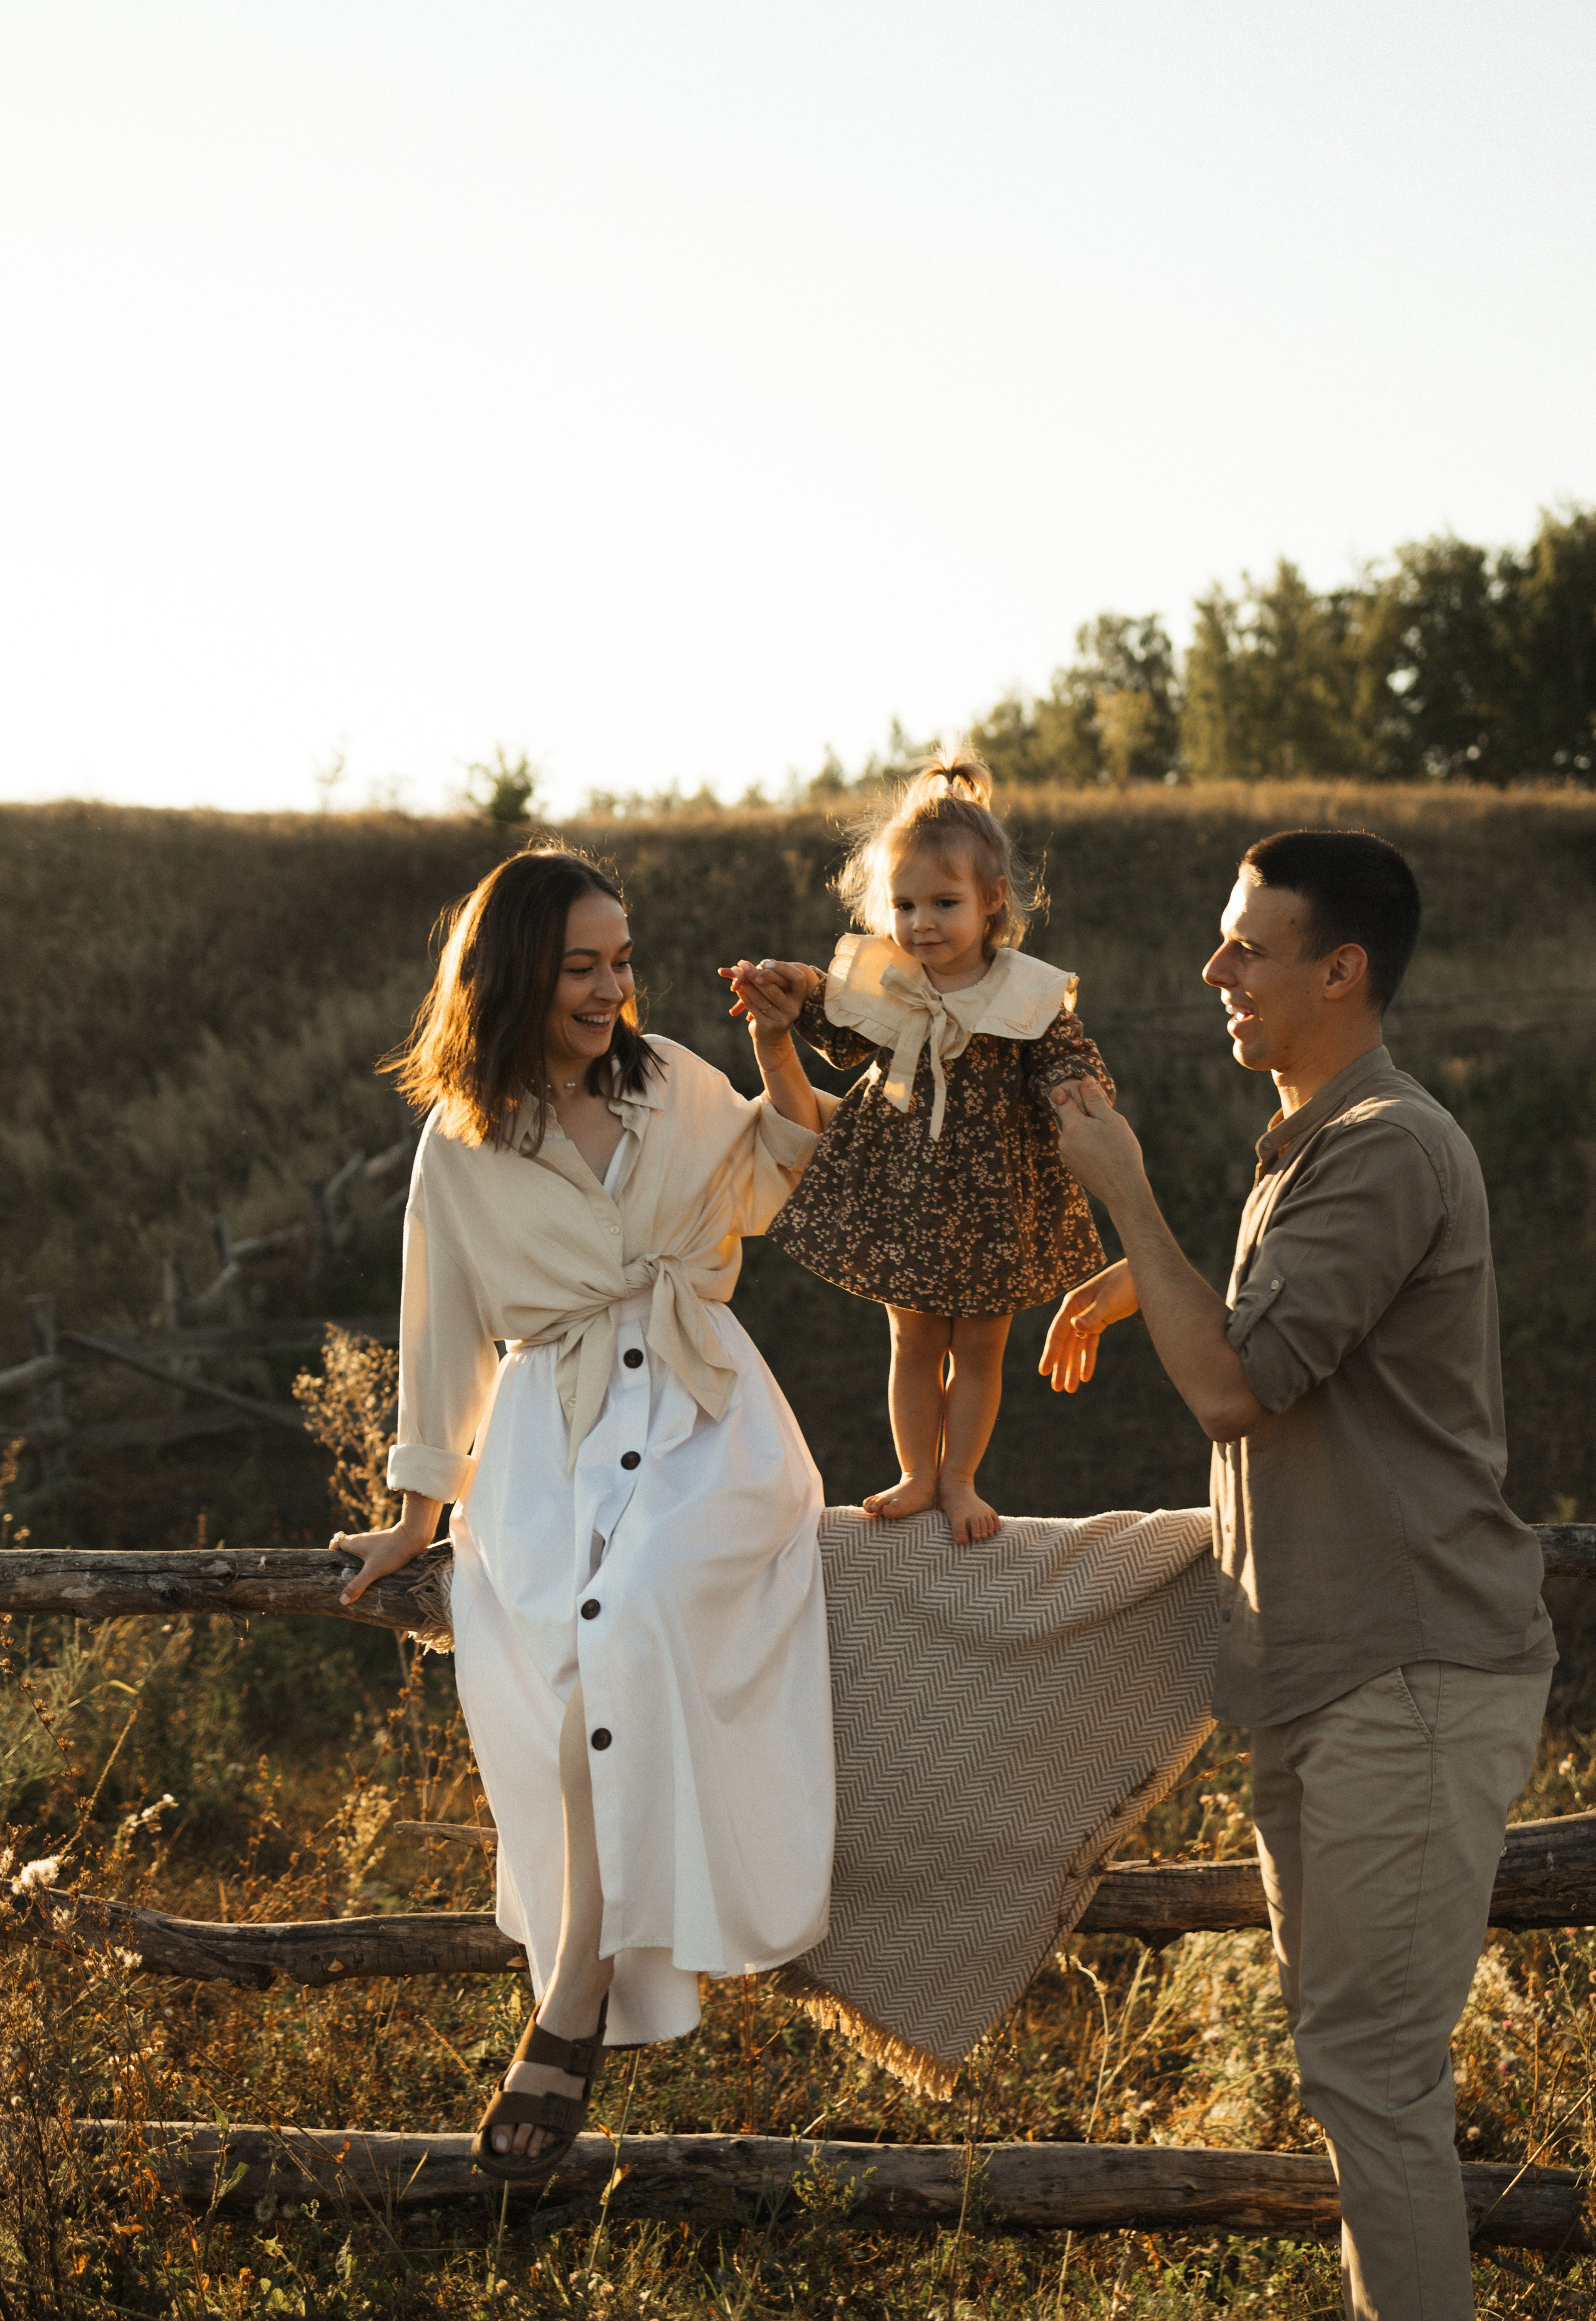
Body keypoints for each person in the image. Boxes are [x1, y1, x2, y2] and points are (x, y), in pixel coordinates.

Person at [1040, 828, 1555, 2321]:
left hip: (1405, 1679)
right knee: (1357, 2082)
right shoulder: (1311, 1152)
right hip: (1328, 1680)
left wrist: (1128, 1198)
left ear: (1341, 970)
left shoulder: (1383, 1143)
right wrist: (1166, 1264)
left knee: (1372, 2081)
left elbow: (1234, 1389)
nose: (1211, 970)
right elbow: (1283, 1336)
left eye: (1245, 947)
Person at [332, 843, 836, 2183]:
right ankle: (592, 1972)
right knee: (559, 1660)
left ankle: (567, 2003)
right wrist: (415, 1511)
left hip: (701, 1422)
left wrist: (779, 1053)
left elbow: (779, 1170)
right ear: (511, 978)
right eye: (582, 966)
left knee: (639, 1608)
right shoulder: (461, 1143)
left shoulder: (671, 1078)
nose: (614, 986)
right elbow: (438, 1335)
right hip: (548, 1446)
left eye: (622, 960)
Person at [734, 752, 1112, 1543]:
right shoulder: (892, 977)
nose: (922, 924)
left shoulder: (1025, 992)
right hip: (901, 1185)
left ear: (992, 902)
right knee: (910, 1338)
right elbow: (837, 1028)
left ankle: (960, 1481)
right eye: (904, 905)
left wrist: (1080, 1090)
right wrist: (794, 987)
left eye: (944, 903)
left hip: (992, 1196)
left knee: (979, 1346)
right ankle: (914, 1472)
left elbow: (1063, 1052)